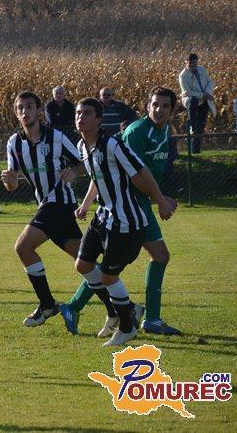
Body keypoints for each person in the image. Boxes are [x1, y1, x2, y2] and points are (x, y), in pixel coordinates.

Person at [62, 88, 183, 336]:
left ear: (172, 110)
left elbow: (104, 168)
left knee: (107, 265)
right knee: (150, 258)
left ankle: (81, 307)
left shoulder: (164, 130)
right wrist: (160, 200)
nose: (159, 110)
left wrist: (159, 197)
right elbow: (130, 173)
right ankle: (147, 318)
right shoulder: (136, 132)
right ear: (147, 106)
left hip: (133, 202)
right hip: (130, 206)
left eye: (164, 106)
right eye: (154, 104)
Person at [0, 92, 91, 328]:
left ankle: (47, 304)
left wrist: (74, 171)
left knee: (23, 247)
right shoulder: (14, 143)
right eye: (20, 108)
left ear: (39, 111)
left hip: (60, 203)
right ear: (16, 113)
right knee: (85, 262)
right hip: (47, 205)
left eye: (29, 107)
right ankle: (125, 307)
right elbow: (12, 186)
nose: (25, 112)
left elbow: (85, 163)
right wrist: (10, 181)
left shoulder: (56, 137)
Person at [178, 53, 216, 154]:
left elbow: (210, 81)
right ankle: (192, 124)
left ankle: (195, 151)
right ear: (186, 62)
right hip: (190, 100)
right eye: (190, 63)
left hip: (204, 99)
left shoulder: (202, 69)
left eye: (195, 62)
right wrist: (202, 95)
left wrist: (207, 93)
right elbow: (187, 92)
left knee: (201, 125)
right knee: (193, 102)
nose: (193, 65)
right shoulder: (183, 75)